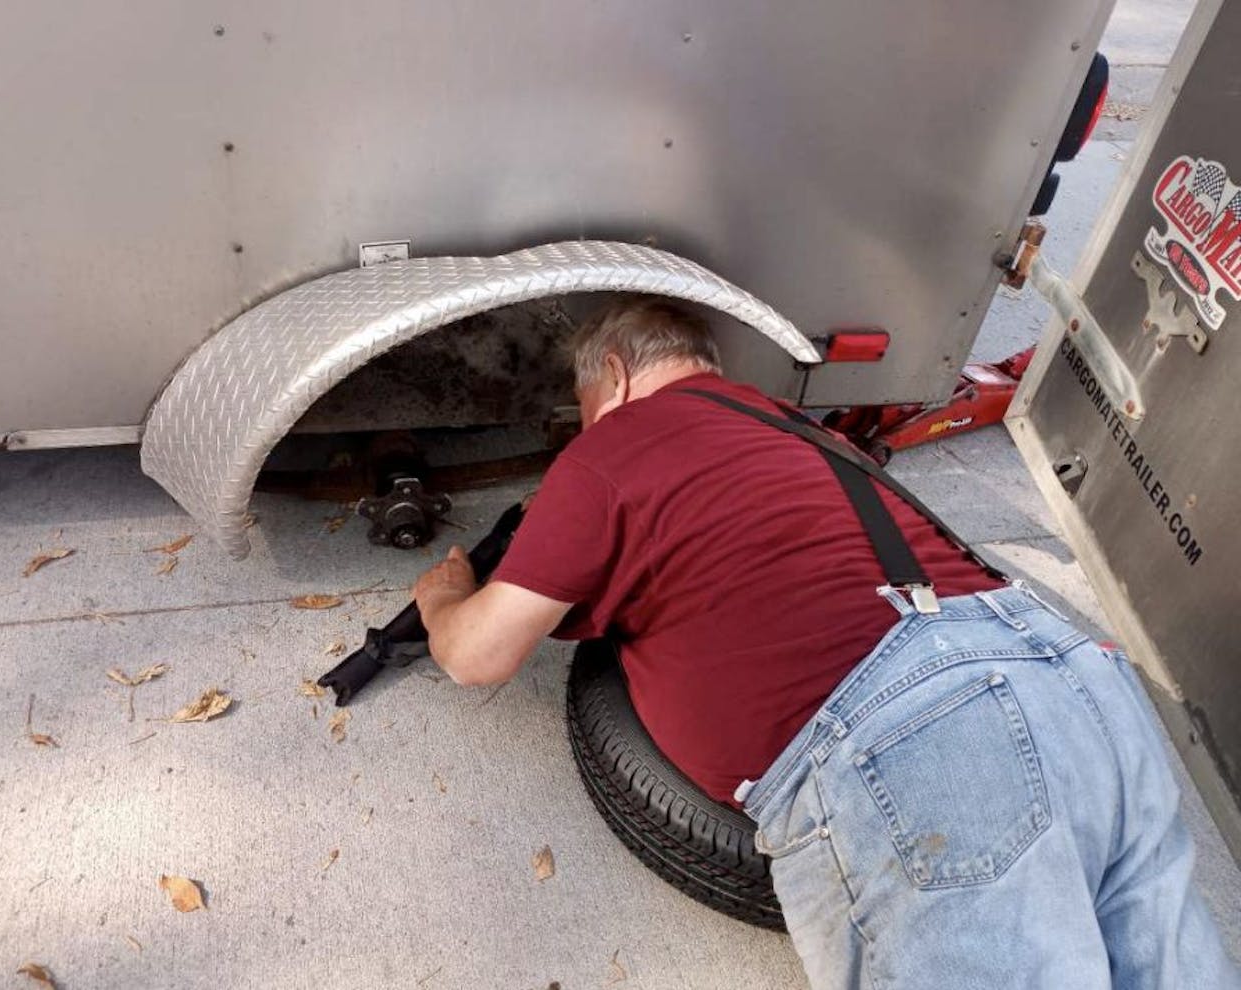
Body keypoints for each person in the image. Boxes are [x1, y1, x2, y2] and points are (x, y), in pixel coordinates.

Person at [411, 296, 1238, 990]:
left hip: (924, 733)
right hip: (1078, 684)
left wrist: (447, 597)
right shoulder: (800, 429)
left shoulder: (613, 447)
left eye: (585, 408)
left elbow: (477, 655)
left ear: (616, 376)